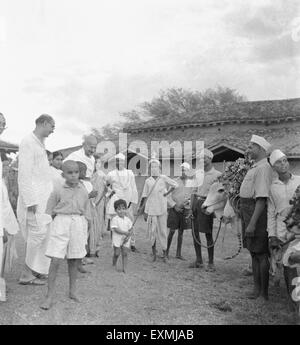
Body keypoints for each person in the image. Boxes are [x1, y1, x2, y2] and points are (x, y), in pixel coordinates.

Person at [40, 161, 89, 310]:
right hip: (61, 222)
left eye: (76, 172)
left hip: (78, 223)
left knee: (74, 259)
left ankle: (72, 290)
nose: (74, 175)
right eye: (70, 172)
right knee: (55, 260)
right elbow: (49, 209)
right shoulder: (58, 189)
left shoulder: (83, 189)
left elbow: (86, 209)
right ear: (63, 174)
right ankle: (49, 295)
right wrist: (55, 222)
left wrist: (87, 224)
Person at [18, 114, 55, 285]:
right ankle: (26, 273)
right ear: (44, 123)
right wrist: (30, 200)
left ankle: (37, 269)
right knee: (36, 235)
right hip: (34, 200)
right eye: (52, 126)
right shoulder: (28, 141)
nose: (53, 129)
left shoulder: (40, 144)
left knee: (44, 234)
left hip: (44, 198)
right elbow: (24, 174)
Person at [239, 134, 273, 301]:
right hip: (248, 212)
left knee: (260, 254)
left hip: (256, 215)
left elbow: (261, 198)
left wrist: (252, 223)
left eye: (251, 147)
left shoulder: (263, 168)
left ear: (260, 149)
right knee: (253, 253)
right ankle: (256, 289)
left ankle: (263, 294)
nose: (248, 149)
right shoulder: (255, 166)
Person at [267, 149, 300, 309]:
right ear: (274, 167)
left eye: (285, 160)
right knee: (287, 264)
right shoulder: (273, 187)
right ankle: (294, 300)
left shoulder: (299, 181)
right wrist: (272, 235)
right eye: (279, 162)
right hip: (282, 231)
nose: (284, 164)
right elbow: (271, 213)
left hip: (298, 230)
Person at [139, 159, 178, 262]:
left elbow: (175, 185)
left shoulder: (163, 178)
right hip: (151, 209)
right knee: (152, 232)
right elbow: (144, 196)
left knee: (163, 231)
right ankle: (154, 253)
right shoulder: (148, 181)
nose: (154, 169)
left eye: (156, 167)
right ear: (149, 169)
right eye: (152, 167)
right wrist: (144, 211)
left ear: (160, 168)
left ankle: (165, 253)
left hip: (162, 209)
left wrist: (167, 193)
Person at [189, 148, 222, 272]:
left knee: (208, 233)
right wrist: (191, 208)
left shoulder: (217, 175)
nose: (202, 161)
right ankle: (199, 260)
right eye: (200, 159)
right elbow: (193, 191)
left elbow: (219, 195)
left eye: (205, 158)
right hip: (196, 203)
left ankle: (211, 262)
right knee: (195, 232)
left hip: (207, 205)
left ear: (210, 159)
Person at [106, 153, 138, 252]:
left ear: (124, 162)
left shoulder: (130, 173)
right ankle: (115, 243)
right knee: (115, 222)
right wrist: (111, 192)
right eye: (118, 161)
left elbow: (133, 187)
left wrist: (132, 201)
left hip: (127, 201)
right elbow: (106, 185)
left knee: (130, 222)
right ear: (116, 162)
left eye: (122, 161)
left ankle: (132, 243)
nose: (120, 163)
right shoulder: (111, 174)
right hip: (116, 201)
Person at [166, 162, 194, 260]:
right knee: (172, 231)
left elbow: (192, 196)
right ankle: (166, 251)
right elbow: (168, 196)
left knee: (181, 232)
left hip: (184, 209)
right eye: (182, 170)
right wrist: (174, 206)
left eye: (185, 170)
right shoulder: (174, 182)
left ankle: (178, 253)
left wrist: (187, 203)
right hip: (174, 210)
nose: (183, 172)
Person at [111, 199, 133, 273]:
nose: (121, 211)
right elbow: (116, 229)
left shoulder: (128, 220)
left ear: (126, 209)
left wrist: (128, 236)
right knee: (117, 253)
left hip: (126, 239)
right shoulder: (114, 219)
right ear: (115, 210)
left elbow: (131, 229)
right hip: (117, 239)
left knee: (125, 253)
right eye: (119, 209)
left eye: (123, 209)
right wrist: (124, 233)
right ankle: (114, 263)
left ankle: (124, 268)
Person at [91, 157, 107, 254]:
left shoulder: (102, 175)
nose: (98, 164)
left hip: (98, 201)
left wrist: (98, 201)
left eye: (99, 163)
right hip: (89, 200)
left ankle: (96, 246)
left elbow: (104, 190)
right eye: (96, 162)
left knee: (98, 221)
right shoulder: (89, 174)